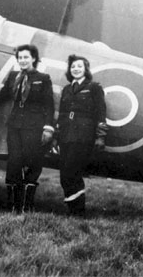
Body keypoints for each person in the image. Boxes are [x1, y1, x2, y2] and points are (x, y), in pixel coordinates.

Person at [0, 44, 54, 213]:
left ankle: (26, 206)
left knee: (30, 162)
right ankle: (13, 206)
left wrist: (48, 127)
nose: (23, 60)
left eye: (26, 57)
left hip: (34, 126)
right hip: (15, 125)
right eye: (20, 58)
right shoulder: (14, 76)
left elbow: (48, 105)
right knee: (14, 161)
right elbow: (2, 96)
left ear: (33, 59)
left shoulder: (43, 78)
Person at [57, 54, 108, 217]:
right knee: (64, 173)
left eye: (79, 66)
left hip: (83, 136)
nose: (76, 69)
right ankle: (74, 209)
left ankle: (78, 212)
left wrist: (100, 137)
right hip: (66, 135)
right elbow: (62, 114)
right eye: (73, 67)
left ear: (86, 69)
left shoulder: (94, 87)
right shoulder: (66, 89)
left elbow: (101, 113)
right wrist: (58, 135)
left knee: (72, 171)